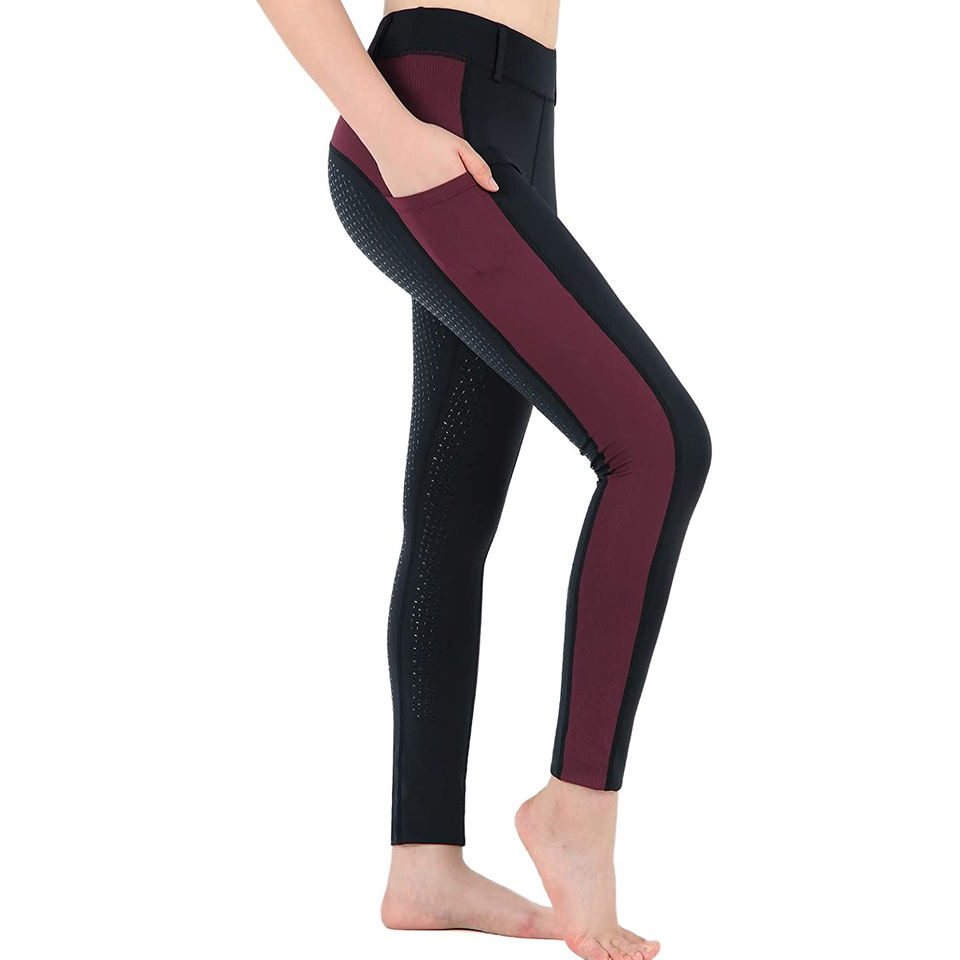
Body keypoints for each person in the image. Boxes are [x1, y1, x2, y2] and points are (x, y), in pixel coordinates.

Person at [256, 2, 712, 958]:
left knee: (452, 506)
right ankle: (578, 804)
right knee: (657, 445)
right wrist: (392, 134)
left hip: (512, 120)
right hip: (426, 114)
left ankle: (424, 866)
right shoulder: (409, 130)